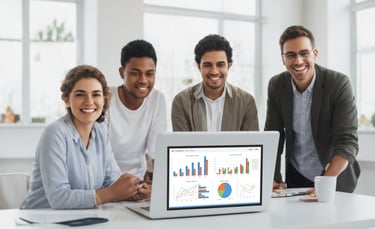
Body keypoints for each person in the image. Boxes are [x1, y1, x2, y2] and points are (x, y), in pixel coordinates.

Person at [20, 65, 151, 209]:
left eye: (96, 94)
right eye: (80, 94)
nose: (89, 101)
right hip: (39, 220)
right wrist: (111, 193)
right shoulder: (55, 134)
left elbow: (111, 183)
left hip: (80, 218)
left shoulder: (101, 133)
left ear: (104, 99)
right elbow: (59, 199)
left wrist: (133, 193)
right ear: (66, 99)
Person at [264, 25, 360, 193]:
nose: (298, 61)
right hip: (295, 176)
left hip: (334, 177)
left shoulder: (338, 84)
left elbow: (347, 141)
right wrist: (273, 177)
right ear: (283, 59)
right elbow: (273, 136)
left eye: (304, 53)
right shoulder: (276, 85)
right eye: (291, 55)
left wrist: (324, 183)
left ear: (315, 54)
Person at [105, 40, 167, 182]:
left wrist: (158, 188)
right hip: (105, 183)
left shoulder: (157, 99)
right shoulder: (104, 98)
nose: (143, 80)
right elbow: (99, 155)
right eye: (135, 73)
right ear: (122, 73)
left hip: (137, 182)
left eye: (149, 74)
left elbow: (157, 151)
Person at [171, 34, 259, 131]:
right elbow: (182, 144)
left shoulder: (246, 102)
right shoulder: (182, 102)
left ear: (229, 66)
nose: (214, 71)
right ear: (198, 66)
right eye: (207, 65)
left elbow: (251, 144)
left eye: (220, 65)